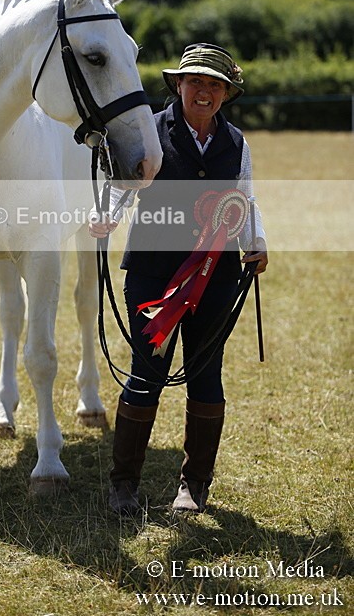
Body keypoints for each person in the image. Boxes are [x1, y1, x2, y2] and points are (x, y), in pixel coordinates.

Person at [89, 43, 268, 516]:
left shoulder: (236, 143)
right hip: (152, 273)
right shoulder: (151, 127)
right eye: (196, 83)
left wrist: (257, 241)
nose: (204, 92)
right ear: (178, 85)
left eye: (214, 85)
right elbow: (126, 180)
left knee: (207, 375)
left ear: (226, 93)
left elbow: (243, 198)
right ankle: (123, 485)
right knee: (147, 372)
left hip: (217, 276)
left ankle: (194, 487)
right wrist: (105, 216)